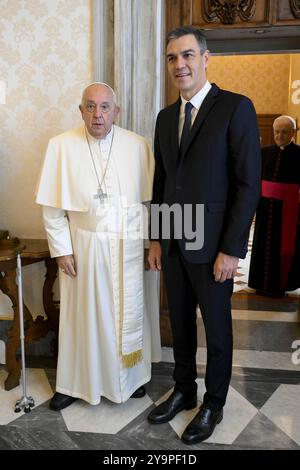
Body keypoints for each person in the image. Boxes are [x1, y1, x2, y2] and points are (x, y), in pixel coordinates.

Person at [147, 26, 261, 444]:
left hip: (213, 246)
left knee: (216, 328)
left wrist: (232, 250)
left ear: (206, 58)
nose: (180, 64)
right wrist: (158, 238)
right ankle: (184, 389)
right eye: (173, 57)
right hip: (174, 241)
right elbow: (162, 182)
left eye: (188, 55)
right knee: (179, 323)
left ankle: (213, 401)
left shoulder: (235, 108)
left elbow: (248, 185)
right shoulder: (163, 117)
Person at [36, 82, 161, 411]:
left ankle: (131, 378)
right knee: (83, 317)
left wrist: (152, 245)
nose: (98, 114)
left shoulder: (138, 145)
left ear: (116, 111)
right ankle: (74, 383)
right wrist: (62, 249)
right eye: (90, 106)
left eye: (105, 107)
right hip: (83, 246)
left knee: (127, 314)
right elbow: (52, 209)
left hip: (127, 247)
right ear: (81, 111)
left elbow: (148, 204)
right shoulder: (61, 146)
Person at [249, 115, 300, 296]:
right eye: (277, 132)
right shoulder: (264, 152)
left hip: (288, 210)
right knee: (262, 244)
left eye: (284, 132)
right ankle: (260, 283)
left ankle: (281, 286)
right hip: (264, 207)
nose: (279, 135)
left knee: (283, 247)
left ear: (293, 133)